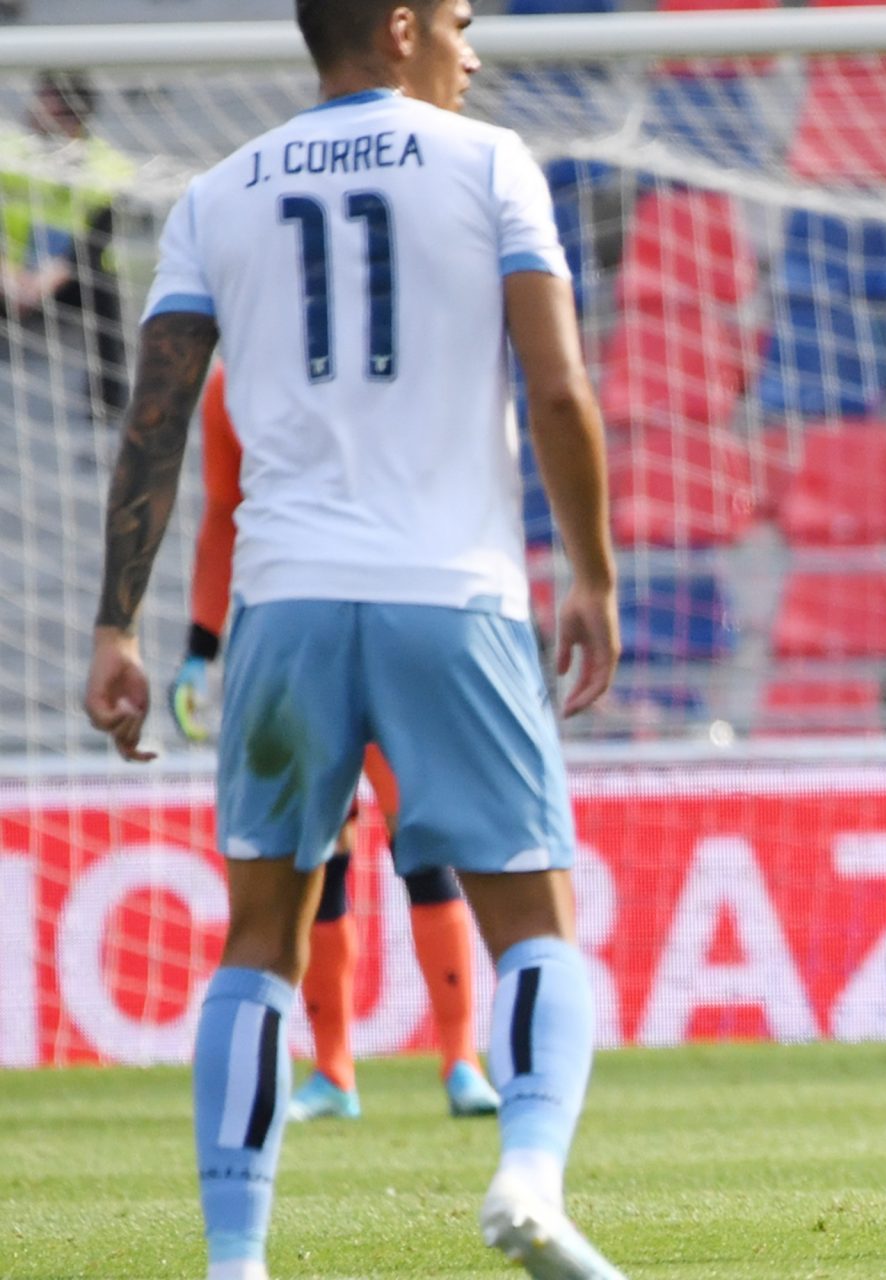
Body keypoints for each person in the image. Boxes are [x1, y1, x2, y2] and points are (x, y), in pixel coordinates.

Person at [82, 2, 624, 1277]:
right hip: (453, 595)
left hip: (286, 605)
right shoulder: (489, 163)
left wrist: (117, 623)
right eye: (460, 22)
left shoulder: (216, 192)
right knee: (536, 922)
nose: (472, 51)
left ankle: (235, 1257)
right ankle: (529, 1177)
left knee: (259, 939)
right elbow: (557, 387)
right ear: (400, 27)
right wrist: (592, 573)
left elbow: (157, 417)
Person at [170, 364, 500, 1124]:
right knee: (319, 854)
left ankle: (461, 1060)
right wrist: (201, 645)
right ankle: (334, 1071)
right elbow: (223, 511)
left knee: (422, 839)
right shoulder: (231, 388)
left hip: (392, 630)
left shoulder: (373, 367)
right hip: (294, 645)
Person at [0, 70, 133, 416]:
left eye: (45, 101)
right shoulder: (9, 153)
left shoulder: (108, 166)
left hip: (69, 274)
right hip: (11, 270)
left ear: (70, 112)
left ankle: (107, 402)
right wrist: (9, 275)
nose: (34, 108)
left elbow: (96, 241)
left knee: (104, 289)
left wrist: (44, 281)